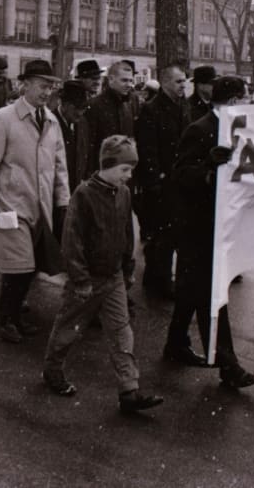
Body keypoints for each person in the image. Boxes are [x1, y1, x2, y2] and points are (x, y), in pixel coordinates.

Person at [42, 135, 165, 414]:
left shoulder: (123, 194)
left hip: (113, 278)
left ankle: (129, 391)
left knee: (122, 332)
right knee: (69, 329)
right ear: (107, 165)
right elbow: (72, 241)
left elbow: (126, 233)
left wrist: (128, 268)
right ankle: (53, 370)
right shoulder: (84, 194)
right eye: (124, 169)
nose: (129, 176)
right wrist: (81, 279)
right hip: (86, 280)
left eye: (131, 169)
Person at [162, 75, 254, 390]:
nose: (247, 103)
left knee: (194, 288)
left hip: (220, 223)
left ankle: (176, 344)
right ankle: (228, 365)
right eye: (244, 98)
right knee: (211, 294)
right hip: (197, 226)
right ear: (233, 101)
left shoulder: (237, 130)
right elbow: (181, 175)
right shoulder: (201, 129)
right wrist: (207, 169)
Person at [0, 59, 70, 343]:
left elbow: (59, 165)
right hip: (10, 206)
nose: (47, 92)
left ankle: (14, 313)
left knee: (30, 267)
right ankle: (6, 319)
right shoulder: (3, 119)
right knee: (18, 267)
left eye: (51, 86)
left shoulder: (52, 121)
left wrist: (63, 202)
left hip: (40, 207)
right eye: (42, 85)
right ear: (24, 85)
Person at [135, 64, 190, 299]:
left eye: (184, 81)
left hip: (176, 180)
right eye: (178, 81)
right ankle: (162, 280)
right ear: (165, 82)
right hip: (161, 181)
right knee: (163, 234)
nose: (183, 85)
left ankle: (155, 276)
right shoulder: (152, 109)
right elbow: (148, 148)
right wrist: (154, 179)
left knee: (168, 233)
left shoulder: (182, 106)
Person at [79, 61, 135, 180]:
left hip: (123, 175)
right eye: (124, 80)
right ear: (111, 79)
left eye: (131, 81)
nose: (129, 85)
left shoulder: (128, 105)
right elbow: (88, 146)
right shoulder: (94, 106)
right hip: (101, 175)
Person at [52, 81, 90, 193]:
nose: (80, 113)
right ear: (64, 105)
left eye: (83, 108)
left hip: (76, 189)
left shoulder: (83, 123)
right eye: (76, 108)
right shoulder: (51, 123)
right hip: (56, 191)